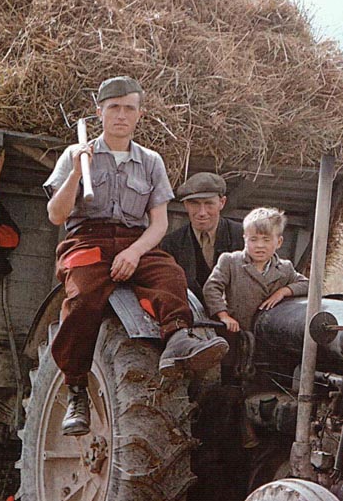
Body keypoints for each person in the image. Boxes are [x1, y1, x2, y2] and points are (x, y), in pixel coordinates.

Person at [43, 76, 228, 436]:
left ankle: (178, 340)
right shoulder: (74, 154)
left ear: (139, 114)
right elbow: (56, 214)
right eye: (114, 108)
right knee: (82, 299)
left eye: (129, 108)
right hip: (87, 241)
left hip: (135, 240)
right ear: (100, 112)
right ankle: (76, 389)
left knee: (171, 277)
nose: (121, 115)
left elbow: (158, 224)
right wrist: (76, 174)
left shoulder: (151, 162)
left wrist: (133, 252)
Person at [203, 207, 309, 332]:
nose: (260, 245)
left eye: (266, 239)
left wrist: (283, 292)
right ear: (245, 239)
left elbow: (307, 284)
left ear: (279, 242)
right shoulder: (231, 261)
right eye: (253, 239)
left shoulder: (285, 268)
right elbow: (211, 288)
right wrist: (224, 315)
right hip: (236, 331)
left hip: (269, 336)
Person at [161, 172, 244, 302]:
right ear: (185, 205)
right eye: (194, 203)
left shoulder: (243, 236)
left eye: (209, 203)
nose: (202, 212)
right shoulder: (170, 244)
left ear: (222, 203)